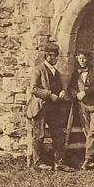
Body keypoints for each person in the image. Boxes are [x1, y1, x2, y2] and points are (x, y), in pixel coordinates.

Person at [26, 41, 70, 170]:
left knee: (58, 134)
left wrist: (62, 91)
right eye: (50, 55)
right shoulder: (38, 70)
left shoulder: (56, 72)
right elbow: (34, 89)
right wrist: (50, 95)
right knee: (39, 135)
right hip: (40, 107)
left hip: (54, 108)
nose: (53, 58)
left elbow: (61, 87)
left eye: (55, 56)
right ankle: (38, 163)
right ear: (46, 56)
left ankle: (59, 163)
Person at [67, 49, 94, 169]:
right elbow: (71, 88)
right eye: (79, 58)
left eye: (84, 58)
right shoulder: (76, 73)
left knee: (93, 131)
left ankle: (87, 160)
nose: (82, 61)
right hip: (82, 107)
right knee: (88, 132)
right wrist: (75, 93)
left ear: (88, 59)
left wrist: (85, 91)